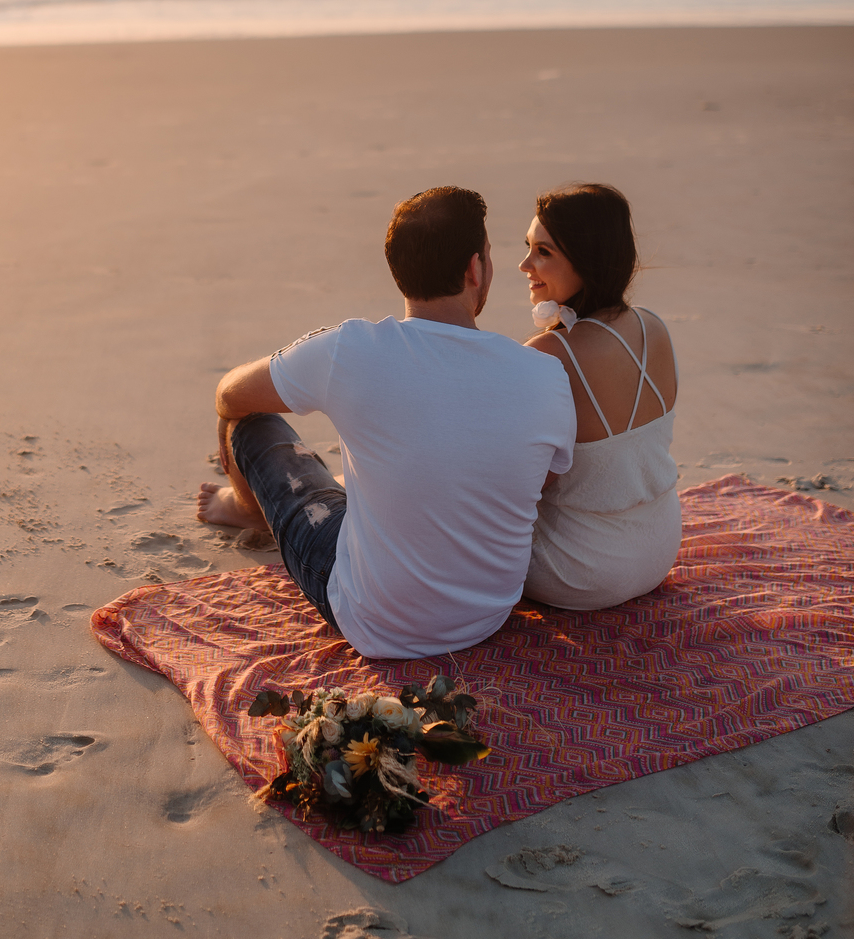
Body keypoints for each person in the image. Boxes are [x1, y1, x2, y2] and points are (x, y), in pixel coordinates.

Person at [197, 186, 576, 659]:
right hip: (487, 615)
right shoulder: (545, 373)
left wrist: (227, 418)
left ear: (399, 271)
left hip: (374, 620)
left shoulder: (350, 349)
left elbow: (231, 394)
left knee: (251, 426)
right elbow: (546, 478)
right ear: (475, 269)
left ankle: (246, 508)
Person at [520, 182, 681, 609]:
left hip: (581, 572)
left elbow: (520, 484)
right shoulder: (654, 327)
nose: (525, 264)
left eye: (544, 252)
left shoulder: (548, 353)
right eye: (528, 248)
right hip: (660, 548)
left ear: (586, 260)